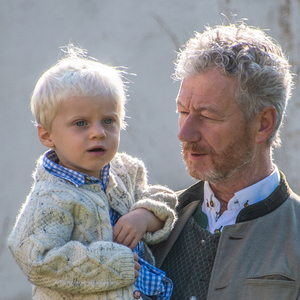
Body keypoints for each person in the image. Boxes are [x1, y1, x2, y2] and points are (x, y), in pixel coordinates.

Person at [8, 45, 177, 300]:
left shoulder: (126, 170)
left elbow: (164, 198)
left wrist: (144, 215)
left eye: (108, 120)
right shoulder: (51, 197)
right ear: (47, 135)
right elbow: (36, 258)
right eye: (81, 123)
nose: (98, 132)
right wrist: (113, 263)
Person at [152, 23, 300, 300]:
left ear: (263, 124)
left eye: (207, 116)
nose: (184, 133)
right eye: (183, 111)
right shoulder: (152, 222)